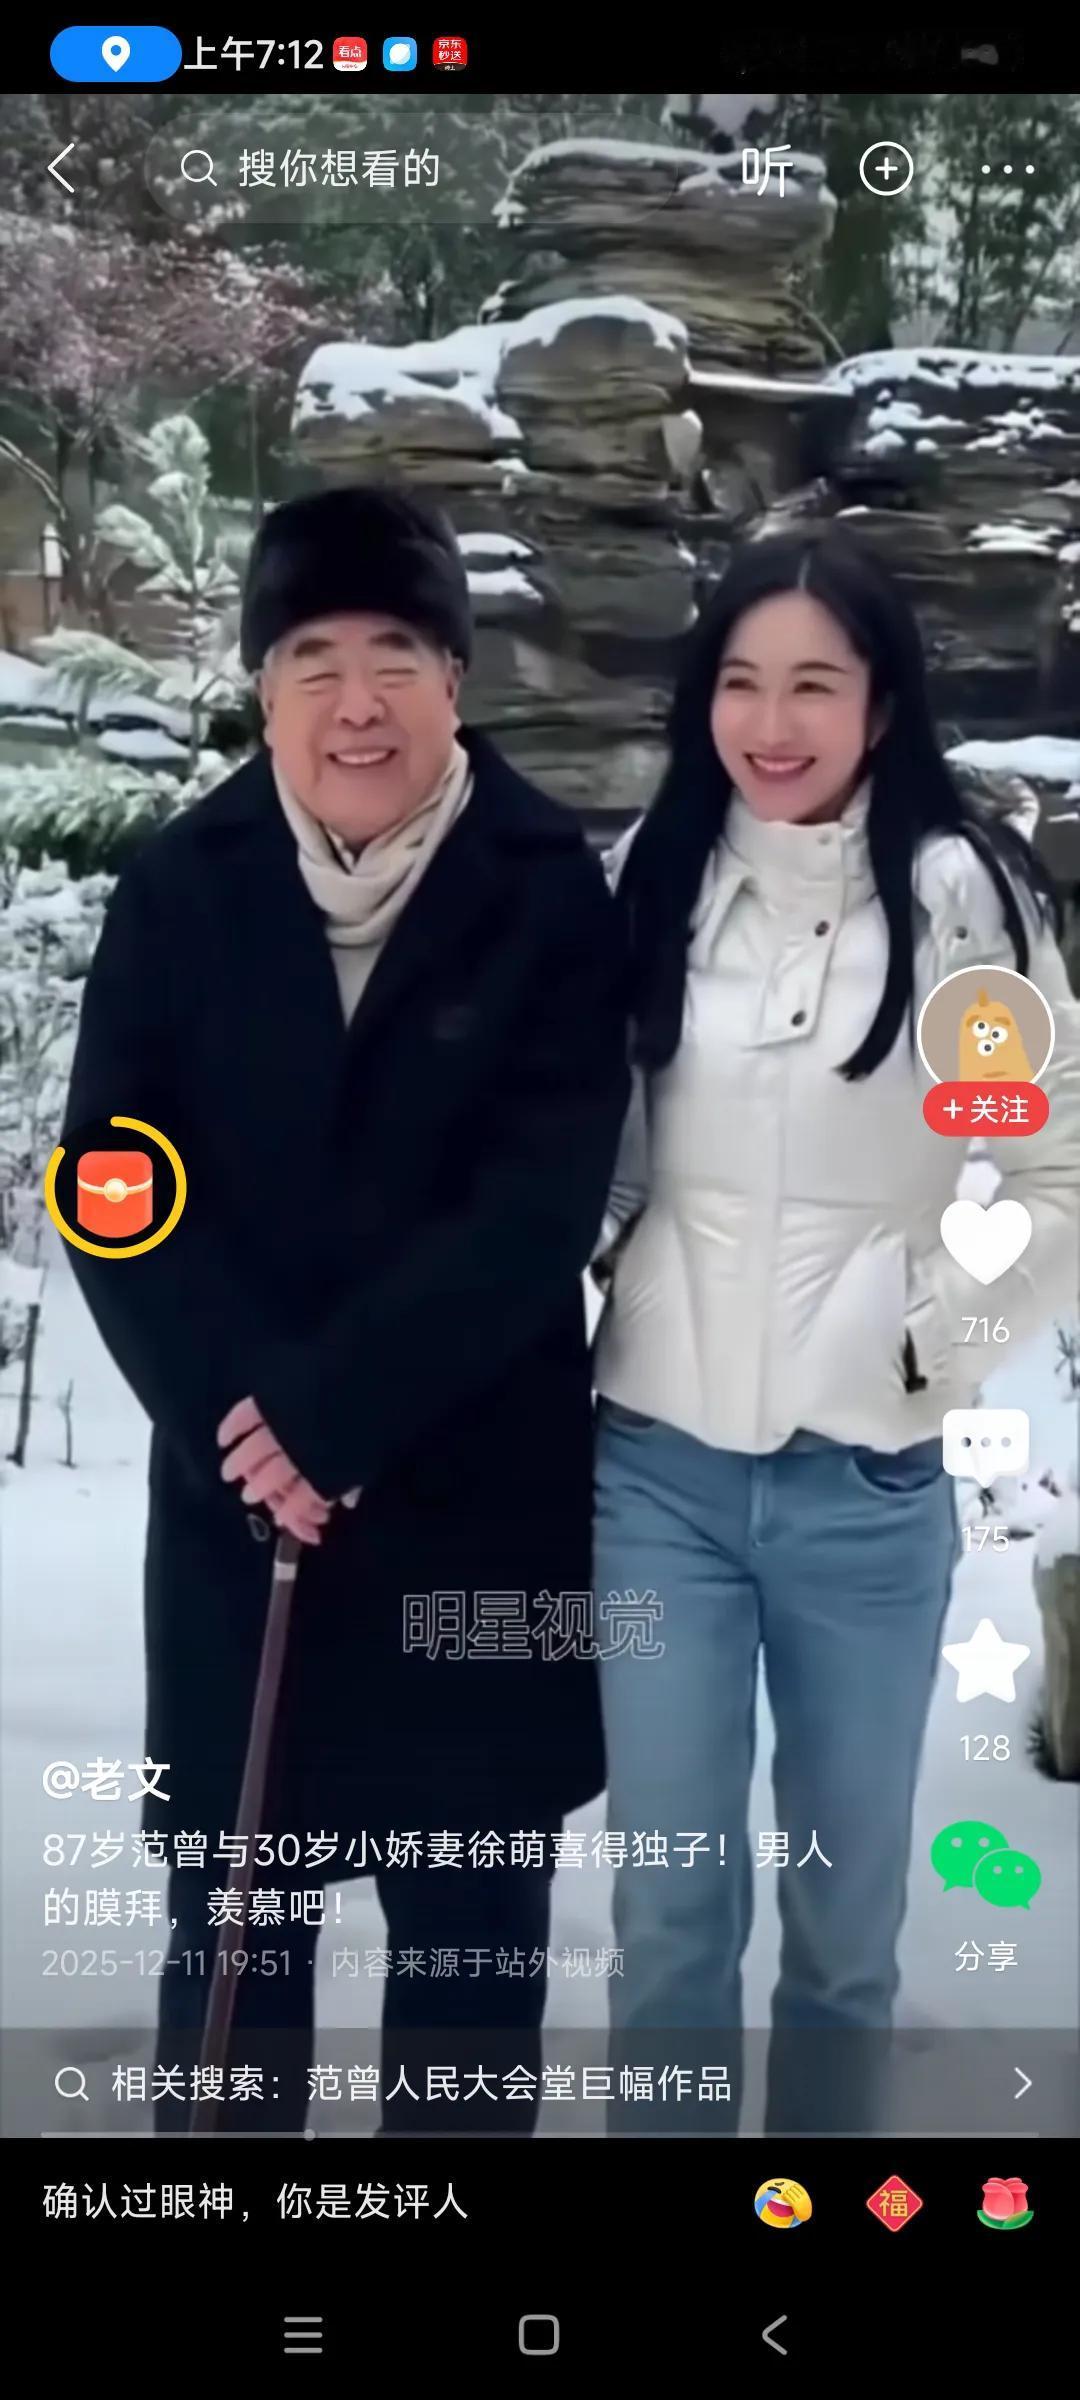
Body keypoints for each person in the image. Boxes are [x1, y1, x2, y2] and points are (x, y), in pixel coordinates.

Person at [61, 484, 629, 2134]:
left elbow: (539, 1203)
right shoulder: (184, 887)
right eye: (314, 659)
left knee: (468, 2004)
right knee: (233, 1998)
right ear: (264, 690)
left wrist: (335, 1412)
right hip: (247, 1518)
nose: (356, 701)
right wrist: (249, 1425)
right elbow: (113, 1180)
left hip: (479, 1516)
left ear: (455, 676)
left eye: (395, 654)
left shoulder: (545, 886)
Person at [590, 530, 1080, 2133]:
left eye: (815, 683)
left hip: (864, 1493)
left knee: (842, 1936)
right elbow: (588, 1139)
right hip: (654, 1481)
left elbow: (1057, 1167)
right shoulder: (655, 876)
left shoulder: (961, 902)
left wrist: (928, 1340)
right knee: (669, 1917)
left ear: (884, 701)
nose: (772, 722)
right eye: (740, 682)